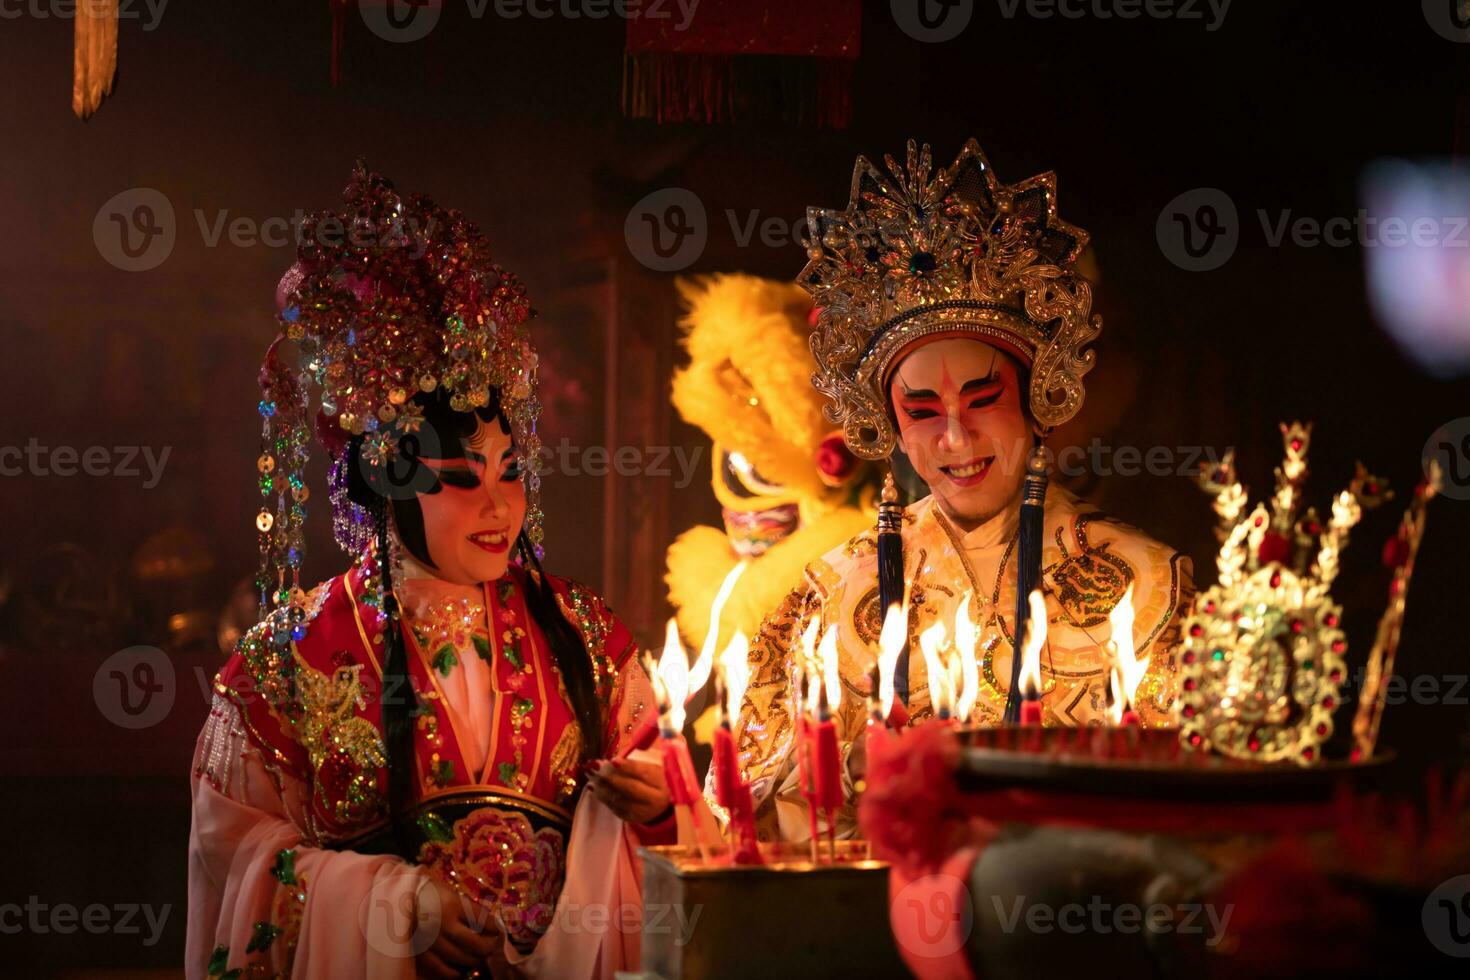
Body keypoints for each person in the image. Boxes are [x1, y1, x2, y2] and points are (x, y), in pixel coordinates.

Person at [187, 167, 671, 979]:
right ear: (384, 483)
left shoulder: (588, 641)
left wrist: (660, 811)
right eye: (460, 476)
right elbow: (232, 859)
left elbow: (682, 817)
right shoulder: (289, 664)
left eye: (510, 470)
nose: (498, 506)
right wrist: (387, 906)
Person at [726, 140, 1196, 841]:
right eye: (921, 412)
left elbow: (1189, 806)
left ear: (1039, 400)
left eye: (982, 400)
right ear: (889, 424)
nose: (953, 438)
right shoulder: (827, 593)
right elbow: (746, 806)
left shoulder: (1148, 584)